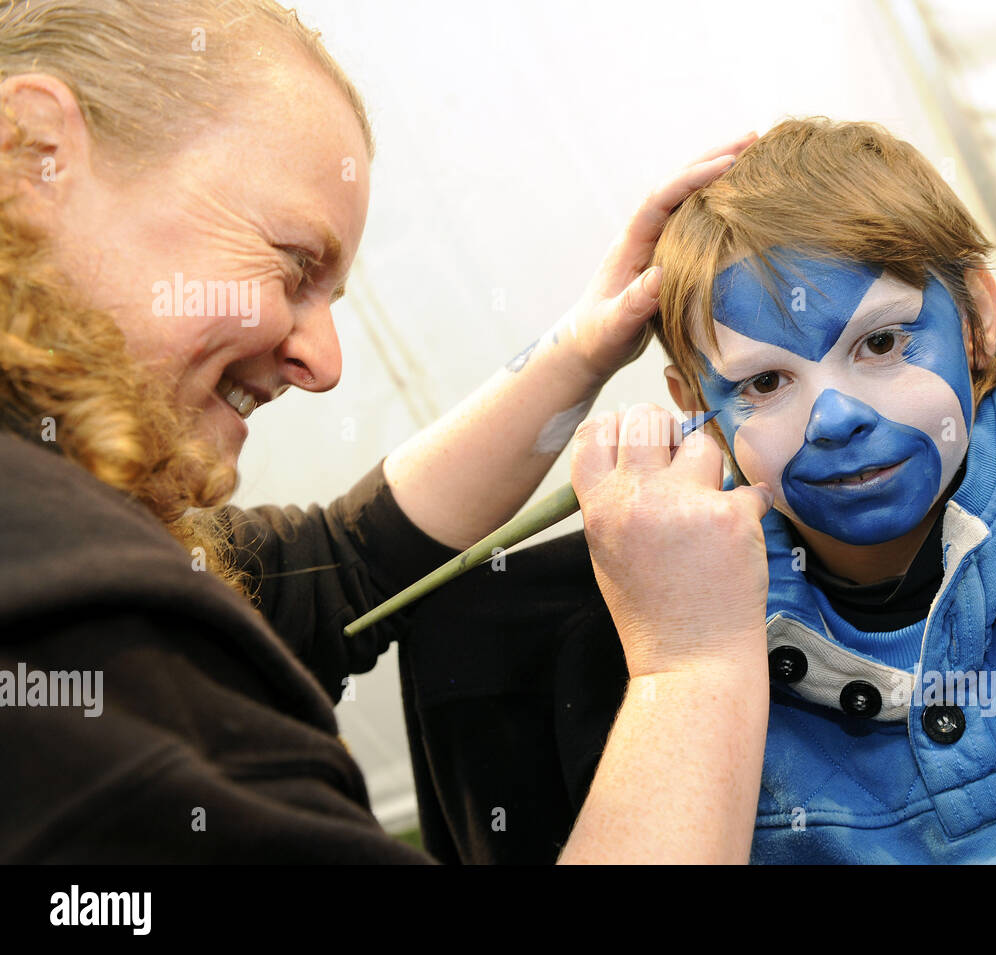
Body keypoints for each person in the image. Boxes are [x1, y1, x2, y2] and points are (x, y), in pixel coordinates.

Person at [403, 118, 996, 864]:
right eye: (763, 384)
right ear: (696, 407)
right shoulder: (696, 628)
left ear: (979, 322)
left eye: (880, 344)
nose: (833, 418)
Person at [0, 0, 774, 864]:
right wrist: (691, 662)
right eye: (293, 265)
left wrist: (582, 348)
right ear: (37, 154)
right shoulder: (62, 631)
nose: (324, 362)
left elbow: (343, 565)